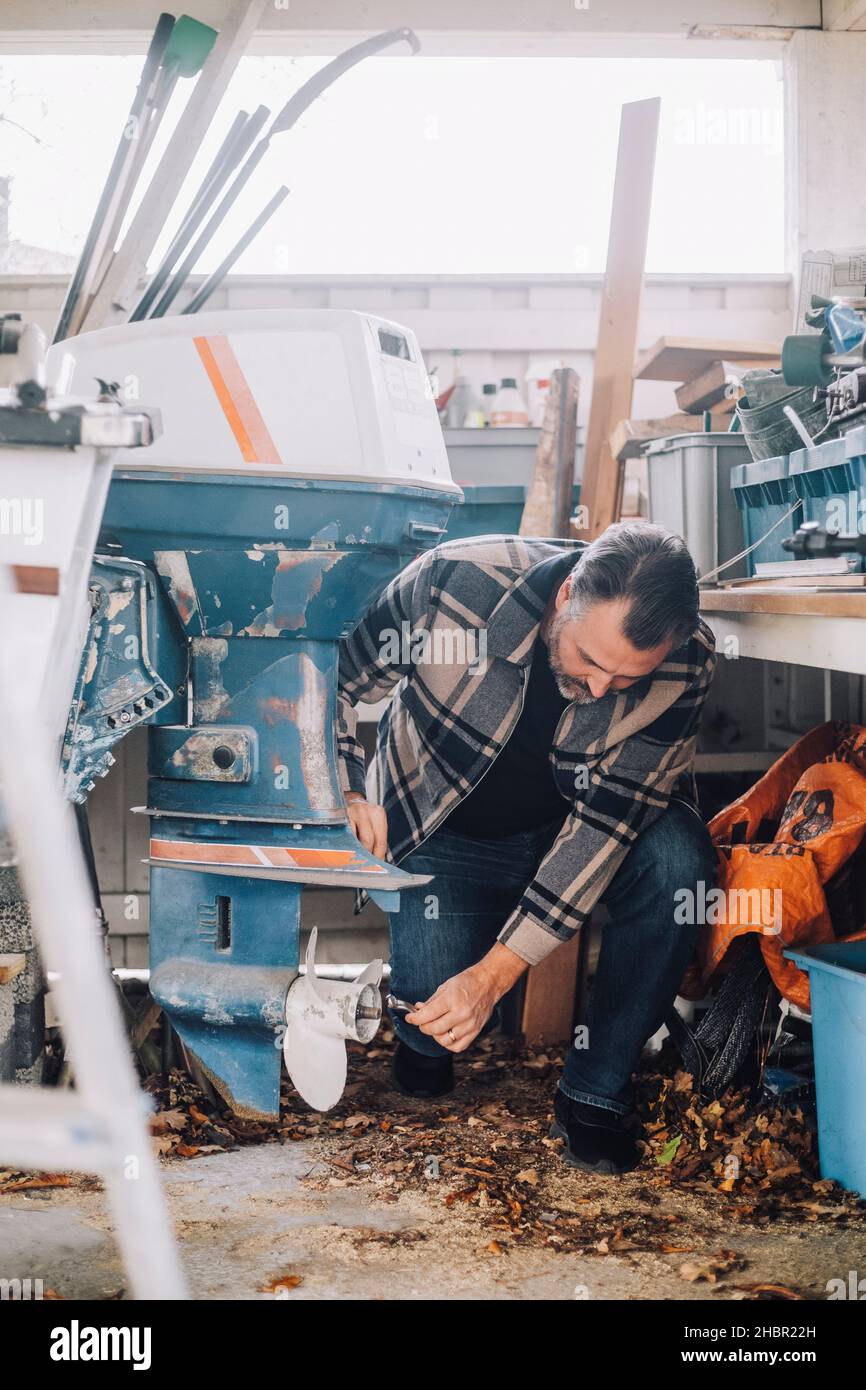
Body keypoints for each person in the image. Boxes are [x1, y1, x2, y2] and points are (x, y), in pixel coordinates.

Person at [337, 522, 717, 1174]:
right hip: (446, 826)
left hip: (580, 834)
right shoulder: (453, 583)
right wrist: (341, 789)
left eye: (628, 680)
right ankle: (421, 1040)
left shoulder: (688, 664)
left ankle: (595, 1093)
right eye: (591, 660)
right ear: (568, 592)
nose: (601, 689)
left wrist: (494, 977)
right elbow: (333, 679)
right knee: (429, 1030)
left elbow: (604, 828)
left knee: (680, 863)